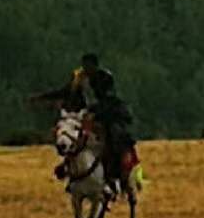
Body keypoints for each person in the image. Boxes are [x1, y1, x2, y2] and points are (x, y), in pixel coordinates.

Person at [31, 52, 137, 184]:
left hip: (109, 114)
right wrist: (41, 98)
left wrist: (95, 112)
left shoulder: (105, 77)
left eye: (88, 65)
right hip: (86, 115)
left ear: (95, 65)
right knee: (70, 134)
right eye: (84, 65)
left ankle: (120, 167)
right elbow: (63, 92)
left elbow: (109, 100)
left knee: (116, 136)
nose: (86, 68)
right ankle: (69, 167)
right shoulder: (79, 79)